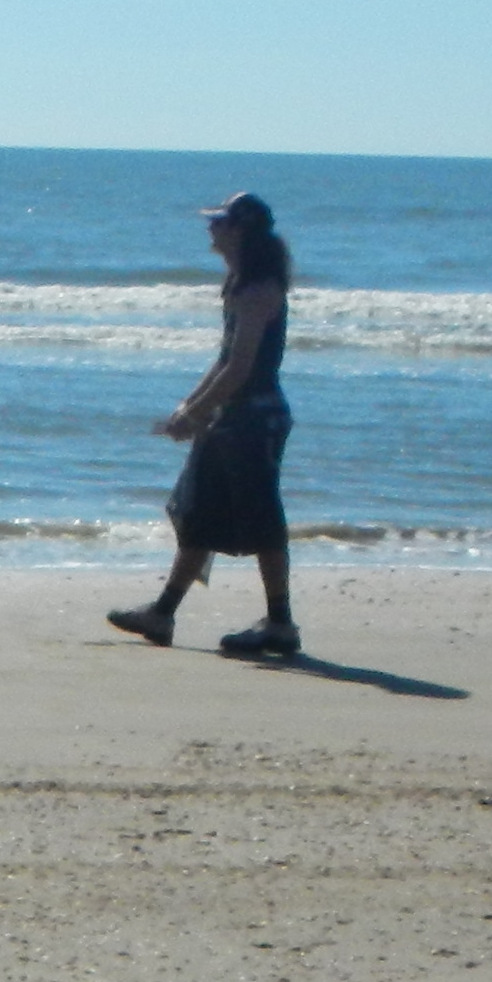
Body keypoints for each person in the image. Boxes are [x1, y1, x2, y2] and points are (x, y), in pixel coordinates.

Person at [111, 190, 299, 657]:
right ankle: (162, 613)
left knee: (263, 522)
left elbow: (240, 368)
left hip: (254, 418)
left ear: (239, 231)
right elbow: (223, 363)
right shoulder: (240, 283)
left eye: (219, 221)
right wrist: (189, 407)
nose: (210, 228)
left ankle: (280, 624)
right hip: (233, 416)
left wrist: (196, 413)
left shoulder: (258, 290)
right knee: (200, 514)